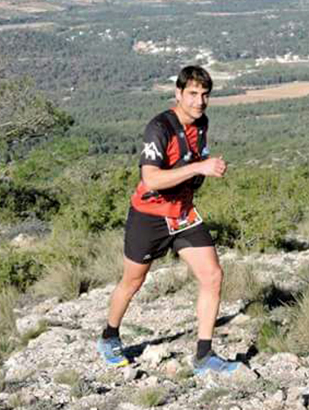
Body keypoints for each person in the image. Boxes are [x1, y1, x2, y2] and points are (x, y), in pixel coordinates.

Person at [96, 65, 240, 375]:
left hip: (183, 214)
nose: (199, 101)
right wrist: (199, 168)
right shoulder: (159, 127)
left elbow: (191, 159)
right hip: (148, 216)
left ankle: (204, 355)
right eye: (192, 94)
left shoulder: (202, 123)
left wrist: (204, 167)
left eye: (204, 95)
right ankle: (109, 335)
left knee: (212, 276)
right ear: (178, 93)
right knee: (132, 281)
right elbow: (151, 179)